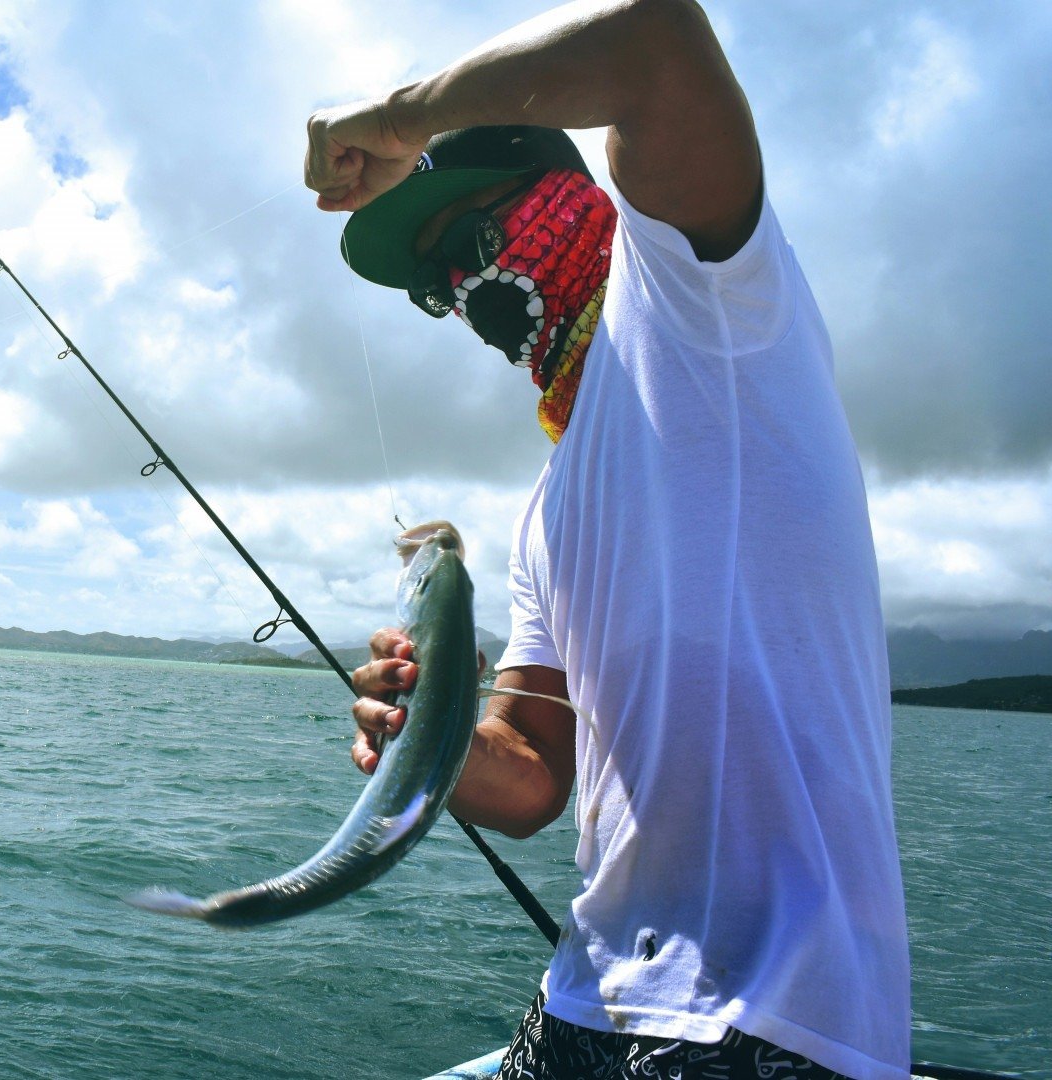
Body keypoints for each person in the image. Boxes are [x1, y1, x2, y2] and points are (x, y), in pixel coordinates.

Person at [302, 2, 909, 1078]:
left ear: (575, 199)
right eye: (440, 284)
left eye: (477, 241)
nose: (464, 289)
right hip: (582, 1002)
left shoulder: (702, 301)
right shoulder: (546, 506)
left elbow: (653, 40)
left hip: (765, 1023)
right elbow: (532, 778)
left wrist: (399, 120)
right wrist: (426, 738)